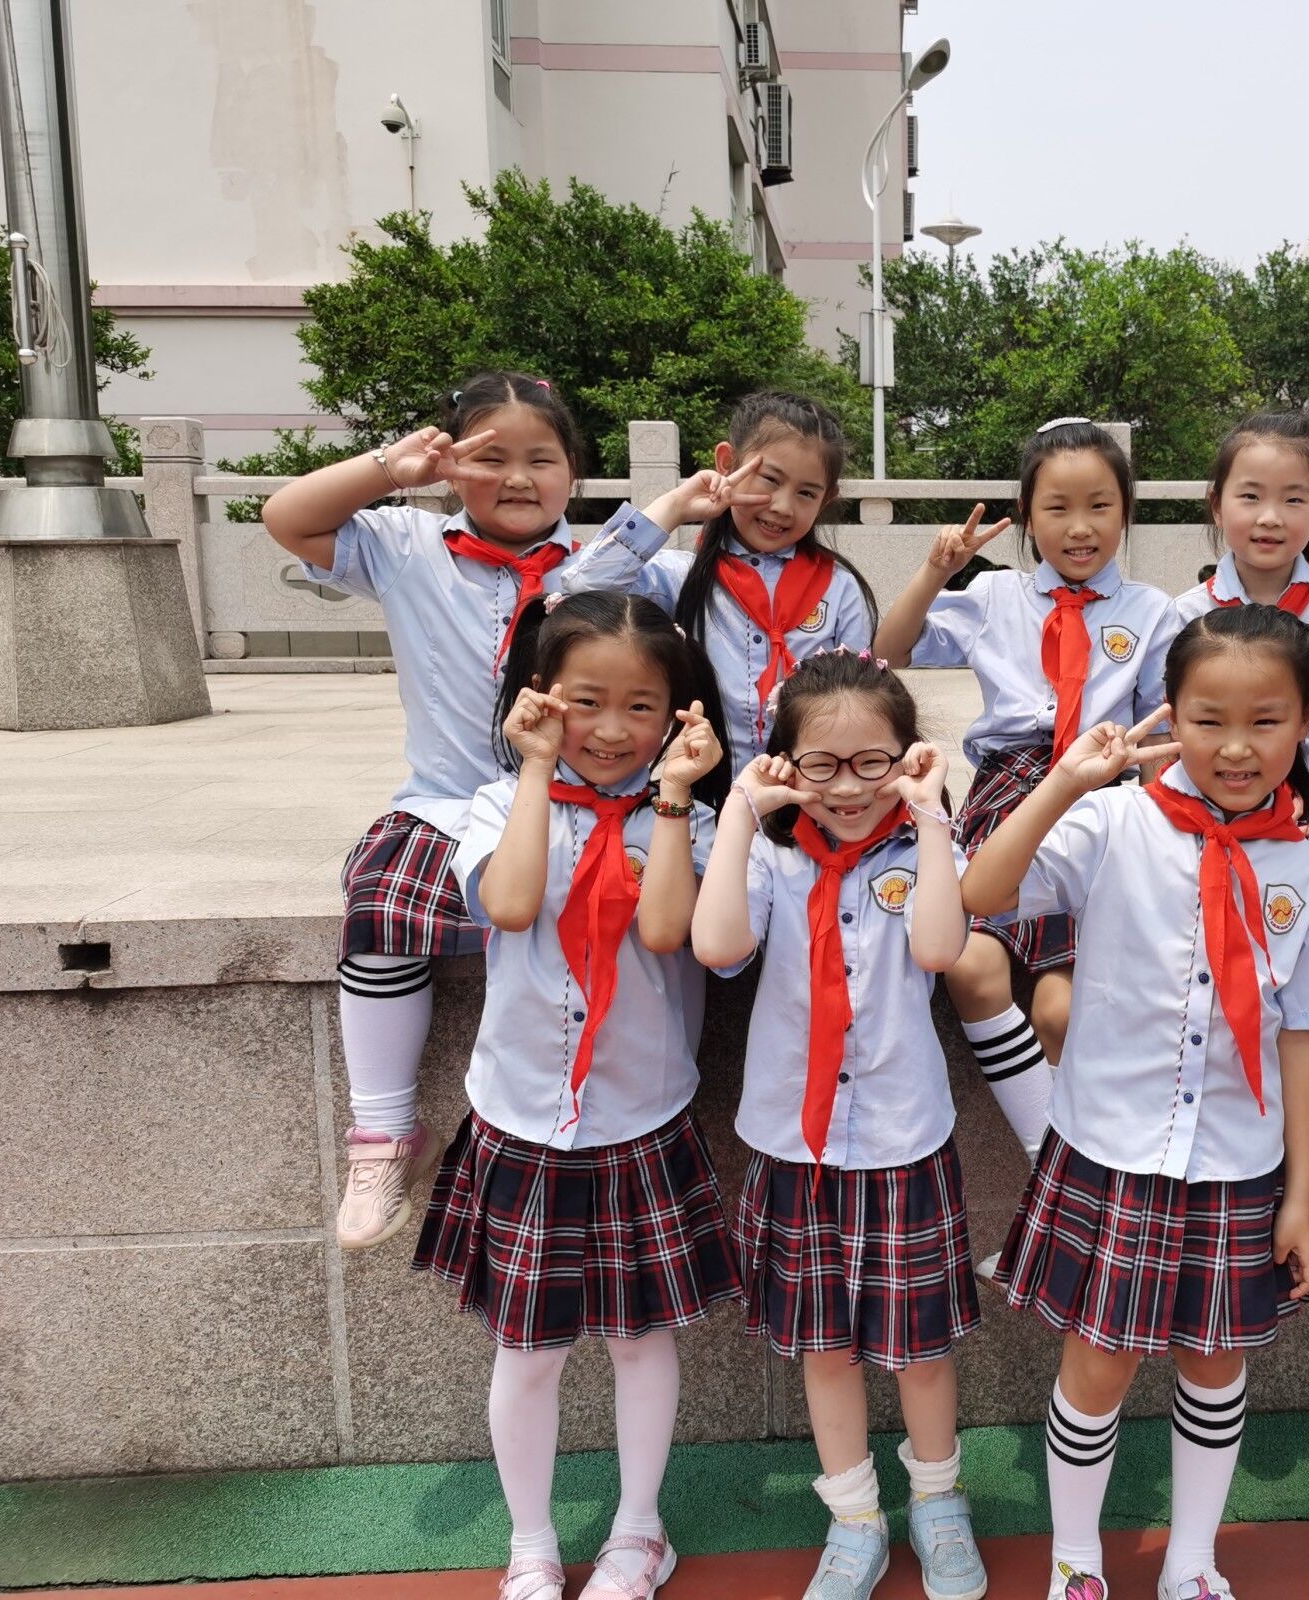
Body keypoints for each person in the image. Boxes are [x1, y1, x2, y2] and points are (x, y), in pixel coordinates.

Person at [259, 371, 750, 1249]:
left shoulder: (602, 568)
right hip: (453, 802)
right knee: (381, 907)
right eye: (489, 458)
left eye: (541, 459)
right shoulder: (405, 545)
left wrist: (689, 507)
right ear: (449, 462)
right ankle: (383, 1134)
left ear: (574, 471)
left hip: (600, 798)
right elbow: (288, 517)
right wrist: (389, 468)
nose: (518, 478)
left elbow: (686, 591)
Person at [962, 605, 1309, 1600]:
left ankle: (1191, 1560)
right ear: (1170, 714)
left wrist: (1297, 1198)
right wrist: (1064, 782)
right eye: (1208, 719)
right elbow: (981, 893)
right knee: (1099, 1365)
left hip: (1236, 1162)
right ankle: (1076, 1560)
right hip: (1113, 1153)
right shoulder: (1114, 822)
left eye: (1266, 720)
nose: (1236, 746)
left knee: (1216, 1366)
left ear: (1306, 722)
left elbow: (1304, 1035)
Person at [412, 589, 743, 1600]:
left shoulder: (694, 819)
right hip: (522, 1121)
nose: (610, 728)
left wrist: (675, 796)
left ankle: (640, 1533)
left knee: (641, 1341)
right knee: (528, 1350)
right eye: (585, 700)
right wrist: (536, 769)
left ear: (680, 714)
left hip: (639, 1120)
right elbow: (510, 903)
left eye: (641, 706)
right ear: (539, 694)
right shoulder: (495, 804)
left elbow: (666, 930)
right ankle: (532, 1544)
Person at [690, 648, 988, 1600]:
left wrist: (932, 815)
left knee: (919, 1348)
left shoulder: (922, 851)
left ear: (907, 758)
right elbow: (716, 945)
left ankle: (938, 1503)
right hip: (796, 1144)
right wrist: (740, 811)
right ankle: (854, 1518)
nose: (849, 787)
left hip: (902, 1141)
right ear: (786, 763)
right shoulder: (771, 860)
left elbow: (940, 948)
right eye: (821, 764)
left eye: (873, 762)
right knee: (825, 1347)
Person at [872, 419, 1180, 1160]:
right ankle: (1051, 1166)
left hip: (1102, 799)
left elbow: (1160, 738)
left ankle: (1076, 1169)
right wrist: (935, 572)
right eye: (1057, 508)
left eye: (1100, 506)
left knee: (1059, 1010)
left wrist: (1165, 838)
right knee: (970, 965)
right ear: (1026, 515)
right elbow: (889, 650)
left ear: (1126, 512)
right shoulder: (993, 595)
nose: (1080, 528)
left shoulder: (1151, 612)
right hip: (1007, 794)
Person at [562, 389, 877, 772]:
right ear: (727, 462)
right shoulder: (681, 577)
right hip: (703, 791)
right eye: (770, 479)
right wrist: (676, 506)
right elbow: (585, 588)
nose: (782, 506)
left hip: (807, 789)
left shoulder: (839, 589)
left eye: (806, 493)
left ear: (826, 499)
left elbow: (859, 701)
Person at [1171, 410, 1309, 818]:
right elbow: (1170, 731)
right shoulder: (1187, 614)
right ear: (1217, 506)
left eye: (1294, 499)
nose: (1270, 517)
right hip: (1219, 794)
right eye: (1251, 497)